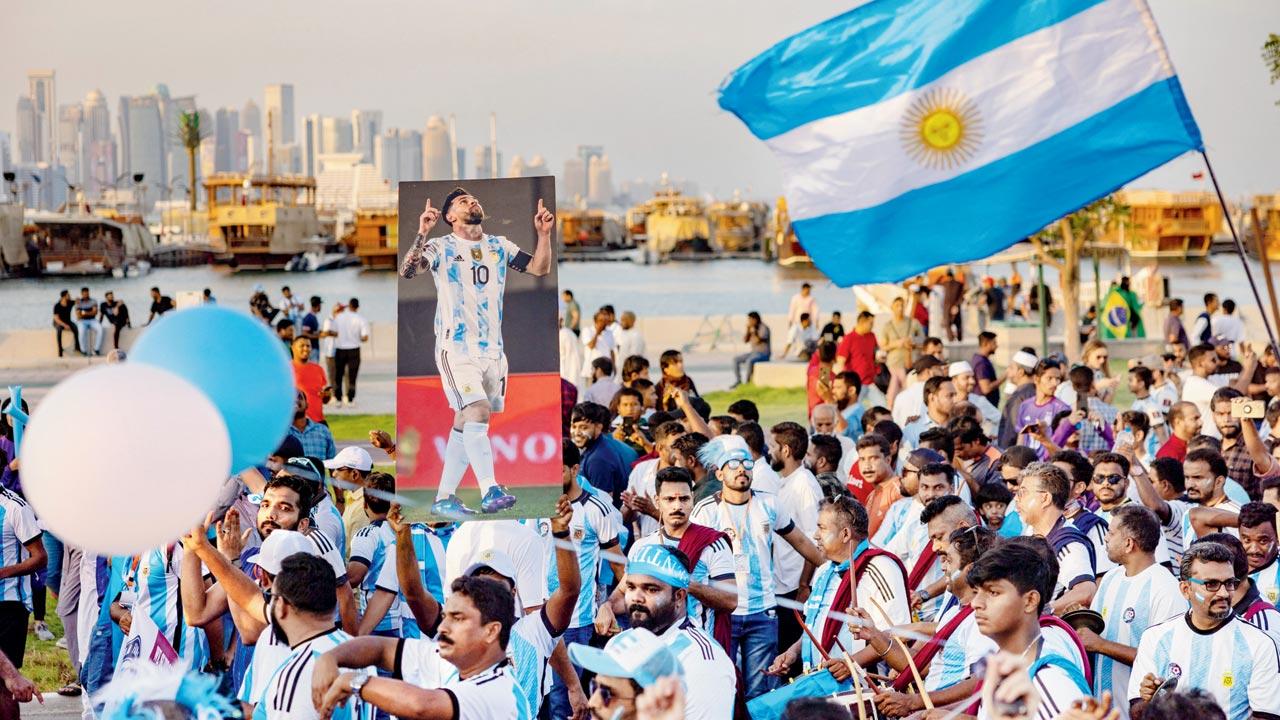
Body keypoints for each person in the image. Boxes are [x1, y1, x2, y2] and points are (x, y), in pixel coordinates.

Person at [400, 207, 552, 513]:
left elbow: (539, 268)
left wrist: (544, 235)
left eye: (472, 199)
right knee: (479, 411)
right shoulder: (442, 246)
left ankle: (444, 498)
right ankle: (490, 489)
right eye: (463, 201)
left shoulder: (499, 244)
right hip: (456, 349)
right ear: (451, 217)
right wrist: (422, 232)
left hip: (493, 352)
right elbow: (408, 271)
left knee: (466, 420)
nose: (472, 203)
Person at [689, 435, 826, 699]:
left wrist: (834, 571)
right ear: (719, 473)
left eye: (747, 462)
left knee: (761, 691)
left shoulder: (769, 503)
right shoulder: (705, 511)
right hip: (723, 613)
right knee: (723, 686)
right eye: (733, 463)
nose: (742, 468)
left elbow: (800, 541)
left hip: (763, 612)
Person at [313, 575, 530, 719]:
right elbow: (381, 648)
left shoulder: (500, 692)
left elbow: (421, 706)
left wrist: (354, 681)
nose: (443, 627)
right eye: (445, 617)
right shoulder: (451, 661)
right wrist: (330, 658)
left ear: (491, 631)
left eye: (458, 618)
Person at [1129, 542, 1280, 720]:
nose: (1224, 593)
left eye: (1229, 583)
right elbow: (1136, 711)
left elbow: (1266, 716)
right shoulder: (1155, 638)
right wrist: (1151, 701)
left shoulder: (1259, 644)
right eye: (1212, 584)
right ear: (1186, 589)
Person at [769, 495, 910, 684]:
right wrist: (793, 652)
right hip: (819, 682)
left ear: (845, 534)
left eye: (822, 528)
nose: (815, 535)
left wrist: (851, 663)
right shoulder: (824, 570)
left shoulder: (880, 567)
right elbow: (813, 626)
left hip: (860, 687)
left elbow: (899, 633)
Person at [607, 544, 736, 720]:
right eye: (631, 587)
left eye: (651, 589)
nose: (636, 597)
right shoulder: (618, 643)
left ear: (679, 597)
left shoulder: (703, 661)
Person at [1081, 505, 1187, 718]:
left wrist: (1101, 645)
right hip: (1101, 711)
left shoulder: (1166, 589)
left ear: (1129, 543)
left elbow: (1166, 662)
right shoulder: (1111, 577)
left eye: (1111, 533)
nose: (1106, 539)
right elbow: (1092, 633)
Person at [613, 467, 737, 647]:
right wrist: (607, 607)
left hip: (695, 648)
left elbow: (730, 600)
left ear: (692, 500)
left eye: (684, 499)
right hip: (652, 648)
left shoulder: (712, 544)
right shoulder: (642, 546)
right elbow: (622, 593)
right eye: (669, 499)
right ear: (657, 501)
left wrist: (684, 583)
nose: (677, 506)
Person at [544, 469, 625, 720]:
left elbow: (618, 564)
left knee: (565, 702)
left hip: (575, 622)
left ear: (574, 469)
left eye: (560, 468)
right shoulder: (536, 506)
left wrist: (614, 605)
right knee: (542, 698)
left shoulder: (596, 508)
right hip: (536, 616)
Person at [768, 422, 824, 654]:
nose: (769, 451)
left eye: (772, 446)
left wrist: (804, 585)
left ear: (786, 450)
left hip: (796, 587)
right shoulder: (785, 482)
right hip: (782, 584)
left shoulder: (805, 484)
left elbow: (816, 540)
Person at [1015, 463, 1097, 613]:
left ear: (1045, 498)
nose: (1016, 500)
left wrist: (1043, 611)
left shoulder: (1069, 545)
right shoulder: (1030, 531)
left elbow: (1087, 591)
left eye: (1022, 493)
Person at [0, 484, 45, 696]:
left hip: (9, 605)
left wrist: (3, 572)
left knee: (5, 683)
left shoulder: (15, 507)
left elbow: (40, 557)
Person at [572, 402, 639, 503]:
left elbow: (603, 503)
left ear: (599, 428)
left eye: (584, 427)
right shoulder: (602, 447)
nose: (577, 432)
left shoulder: (597, 460)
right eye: (574, 426)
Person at [1016, 359, 1070, 456]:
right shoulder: (1025, 405)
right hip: (1027, 466)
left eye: (1058, 379)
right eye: (1050, 378)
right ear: (1036, 379)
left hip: (1050, 466)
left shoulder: (1063, 409)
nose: (1055, 383)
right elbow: (1021, 439)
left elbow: (1065, 446)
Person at [880, 295, 922, 406]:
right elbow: (883, 346)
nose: (900, 308)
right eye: (897, 306)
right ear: (892, 308)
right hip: (893, 365)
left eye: (902, 306)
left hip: (911, 363)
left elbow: (923, 341)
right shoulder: (887, 326)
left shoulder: (914, 323)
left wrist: (912, 341)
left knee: (910, 394)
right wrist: (897, 344)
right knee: (892, 396)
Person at [331, 297, 371, 409]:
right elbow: (365, 337)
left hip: (340, 349)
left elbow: (334, 332)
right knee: (352, 376)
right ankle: (350, 399)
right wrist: (357, 338)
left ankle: (338, 399)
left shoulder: (339, 317)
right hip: (354, 349)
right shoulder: (361, 319)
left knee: (338, 375)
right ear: (357, 307)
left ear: (349, 306)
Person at [998, 350, 1040, 448]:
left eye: (1012, 368)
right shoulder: (1034, 391)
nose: (1008, 371)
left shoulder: (1019, 396)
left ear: (1020, 372)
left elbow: (1012, 430)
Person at [1240, 502, 1280, 605]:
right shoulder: (1227, 567)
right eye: (1247, 540)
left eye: (1263, 541)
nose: (1254, 550)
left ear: (1277, 538)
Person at [287, 391, 337, 461]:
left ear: (307, 404)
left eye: (299, 397)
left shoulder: (323, 430)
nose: (295, 400)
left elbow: (333, 463)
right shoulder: (280, 433)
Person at [834, 310, 878, 388]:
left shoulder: (872, 336)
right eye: (871, 323)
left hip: (871, 382)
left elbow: (876, 354)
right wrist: (844, 382)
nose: (872, 326)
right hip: (856, 384)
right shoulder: (849, 338)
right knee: (855, 401)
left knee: (882, 400)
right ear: (862, 322)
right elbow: (841, 361)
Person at [292, 337, 329, 425]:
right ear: (293, 348)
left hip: (319, 421)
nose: (306, 348)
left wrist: (327, 395)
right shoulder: (286, 370)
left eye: (308, 346)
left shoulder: (318, 369)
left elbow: (323, 399)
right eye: (302, 346)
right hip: (296, 422)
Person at [732, 311, 771, 387]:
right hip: (753, 353)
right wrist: (748, 330)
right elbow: (745, 341)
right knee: (735, 359)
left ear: (756, 319)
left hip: (763, 354)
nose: (749, 322)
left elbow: (759, 340)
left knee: (749, 361)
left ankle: (747, 382)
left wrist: (754, 331)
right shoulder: (751, 328)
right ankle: (738, 380)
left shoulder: (764, 328)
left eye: (750, 320)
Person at [72, 286, 103, 356]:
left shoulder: (93, 301)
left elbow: (95, 312)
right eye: (84, 293)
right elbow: (78, 316)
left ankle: (96, 349)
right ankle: (83, 350)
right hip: (82, 321)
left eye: (87, 293)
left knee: (100, 329)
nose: (86, 294)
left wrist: (84, 313)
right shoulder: (78, 302)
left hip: (92, 320)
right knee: (81, 332)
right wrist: (89, 312)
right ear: (82, 294)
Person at [52, 289, 79, 356]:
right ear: (63, 297)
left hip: (68, 321)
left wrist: (78, 300)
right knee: (59, 330)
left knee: (75, 328)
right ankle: (60, 349)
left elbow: (77, 301)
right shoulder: (57, 305)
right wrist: (64, 325)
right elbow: (56, 319)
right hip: (58, 322)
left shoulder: (70, 303)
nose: (70, 296)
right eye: (68, 295)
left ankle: (77, 347)